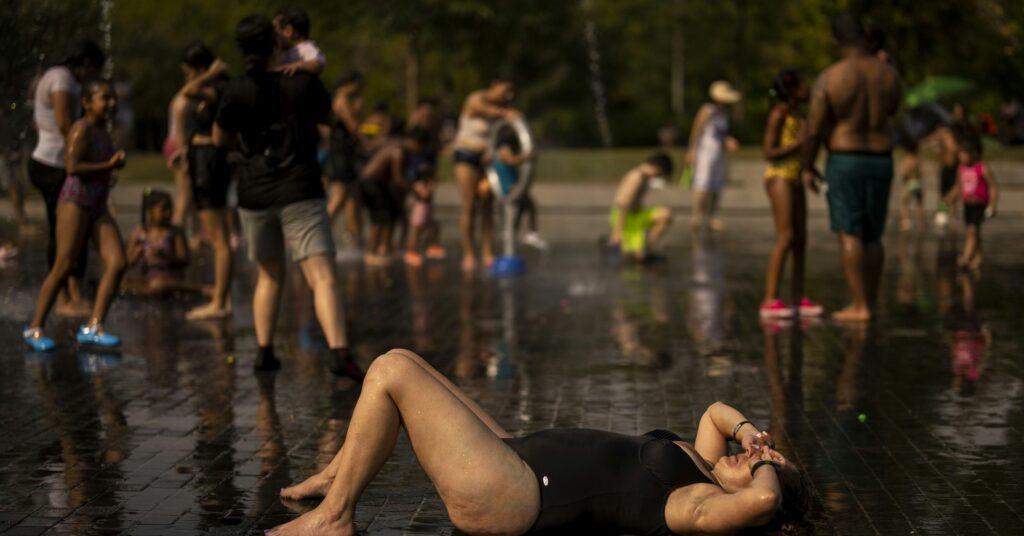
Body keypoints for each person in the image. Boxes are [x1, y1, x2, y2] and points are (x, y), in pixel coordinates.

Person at [267, 349, 809, 535]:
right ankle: (337, 475)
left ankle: (335, 516)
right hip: (516, 454)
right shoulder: (705, 467)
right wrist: (752, 435)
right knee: (403, 358)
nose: (752, 456)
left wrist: (765, 472)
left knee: (390, 373)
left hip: (516, 494)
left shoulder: (701, 504)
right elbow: (716, 412)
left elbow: (763, 500)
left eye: (764, 462)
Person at [214, 14, 361, 380]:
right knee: (321, 276)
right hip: (300, 190)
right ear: (275, 43)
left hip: (254, 193)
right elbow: (331, 120)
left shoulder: (235, 89)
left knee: (268, 275)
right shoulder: (304, 83)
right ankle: (339, 353)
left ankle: (264, 352)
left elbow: (219, 138)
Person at [801, 14, 902, 322]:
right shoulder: (889, 74)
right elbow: (893, 109)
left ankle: (859, 305)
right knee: (873, 235)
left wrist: (807, 166)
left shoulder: (831, 77)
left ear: (837, 41)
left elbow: (814, 128)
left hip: (845, 159)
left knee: (850, 232)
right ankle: (871, 301)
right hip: (881, 159)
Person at [23, 79, 128, 352]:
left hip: (97, 204)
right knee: (64, 264)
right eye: (105, 98)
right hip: (75, 202)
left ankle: (94, 325)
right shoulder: (82, 128)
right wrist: (108, 165)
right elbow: (72, 167)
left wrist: (110, 171)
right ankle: (35, 326)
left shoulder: (103, 131)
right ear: (86, 102)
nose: (111, 103)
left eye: (113, 98)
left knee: (118, 262)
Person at [28, 42, 106, 318]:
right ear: (85, 64)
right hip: (54, 164)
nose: (91, 77)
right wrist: (83, 153)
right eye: (93, 70)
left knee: (66, 232)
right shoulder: (62, 79)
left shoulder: (55, 75)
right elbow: (64, 123)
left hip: (49, 160)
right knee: (65, 232)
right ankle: (65, 297)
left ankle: (71, 293)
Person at [172, 43, 234, 320]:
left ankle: (220, 302)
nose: (188, 78)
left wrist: (210, 74)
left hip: (210, 162)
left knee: (219, 239)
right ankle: (223, 297)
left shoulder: (216, 89)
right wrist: (185, 151)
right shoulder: (212, 89)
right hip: (202, 158)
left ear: (200, 69)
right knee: (219, 237)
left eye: (189, 72)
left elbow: (188, 92)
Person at [760, 70, 823, 319]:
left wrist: (810, 169)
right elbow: (768, 152)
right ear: (793, 89)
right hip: (779, 177)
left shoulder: (799, 115)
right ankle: (770, 299)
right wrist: (798, 143)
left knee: (800, 239)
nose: (808, 88)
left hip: (795, 176)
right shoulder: (779, 114)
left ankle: (797, 298)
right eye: (804, 84)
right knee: (785, 236)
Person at [452, 78, 522, 271]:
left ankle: (487, 252)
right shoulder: (476, 99)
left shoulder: (503, 108)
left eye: (512, 92)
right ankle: (468, 253)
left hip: (487, 161)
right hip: (466, 156)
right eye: (506, 90)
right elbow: (484, 110)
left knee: (488, 206)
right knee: (469, 206)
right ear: (495, 84)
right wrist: (505, 113)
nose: (509, 95)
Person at [124, 189, 210, 298]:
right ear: (150, 211)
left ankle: (197, 289)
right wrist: (134, 256)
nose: (168, 213)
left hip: (169, 278)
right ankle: (152, 290)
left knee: (159, 283)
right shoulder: (138, 234)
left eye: (170, 208)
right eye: (164, 209)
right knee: (122, 282)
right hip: (147, 279)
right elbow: (125, 263)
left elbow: (184, 260)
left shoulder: (174, 232)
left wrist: (165, 255)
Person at [359, 128, 425, 265]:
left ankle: (381, 249)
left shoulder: (398, 147)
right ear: (414, 142)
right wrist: (414, 189)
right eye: (420, 146)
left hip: (376, 184)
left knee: (385, 216)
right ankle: (371, 253)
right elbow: (398, 179)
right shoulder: (398, 152)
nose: (419, 150)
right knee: (379, 218)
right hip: (370, 183)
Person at [687, 81, 741, 232]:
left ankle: (710, 217)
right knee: (702, 185)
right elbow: (696, 130)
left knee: (716, 186)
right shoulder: (707, 110)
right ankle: (696, 216)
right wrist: (692, 150)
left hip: (719, 152)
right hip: (705, 151)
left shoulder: (723, 113)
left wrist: (728, 141)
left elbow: (721, 133)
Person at [943, 130, 997, 270]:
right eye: (959, 154)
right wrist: (949, 198)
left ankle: (966, 257)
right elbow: (958, 186)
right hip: (968, 205)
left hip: (980, 204)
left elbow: (993, 186)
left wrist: (992, 204)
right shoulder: (961, 169)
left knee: (972, 231)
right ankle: (978, 257)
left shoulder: (981, 168)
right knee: (974, 232)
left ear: (973, 153)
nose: (960, 157)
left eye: (963, 154)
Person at [607, 153, 673, 262]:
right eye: (659, 174)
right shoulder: (636, 177)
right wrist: (617, 232)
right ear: (656, 167)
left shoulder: (644, 177)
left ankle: (645, 250)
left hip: (636, 214)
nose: (657, 177)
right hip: (626, 217)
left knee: (665, 214)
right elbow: (624, 204)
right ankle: (639, 251)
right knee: (636, 256)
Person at [326, 70, 365, 248]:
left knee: (353, 195)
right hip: (340, 152)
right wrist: (358, 110)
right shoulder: (342, 99)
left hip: (346, 152)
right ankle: (322, 231)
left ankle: (353, 236)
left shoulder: (344, 98)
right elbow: (353, 126)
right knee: (340, 195)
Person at [273, 7, 325, 76]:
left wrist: (299, 66)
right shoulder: (283, 50)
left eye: (276, 31)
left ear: (288, 31)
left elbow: (318, 63)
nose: (273, 36)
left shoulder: (306, 48)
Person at [927, 124, 959, 228]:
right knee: (943, 195)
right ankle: (944, 214)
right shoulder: (944, 139)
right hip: (945, 169)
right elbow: (931, 141)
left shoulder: (951, 137)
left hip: (954, 169)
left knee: (952, 196)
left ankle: (951, 217)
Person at [897, 136, 926, 232]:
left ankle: (906, 222)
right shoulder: (918, 159)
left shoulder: (907, 159)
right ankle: (921, 223)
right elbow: (923, 171)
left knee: (904, 203)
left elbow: (904, 172)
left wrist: (905, 177)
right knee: (919, 203)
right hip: (918, 183)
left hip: (909, 183)